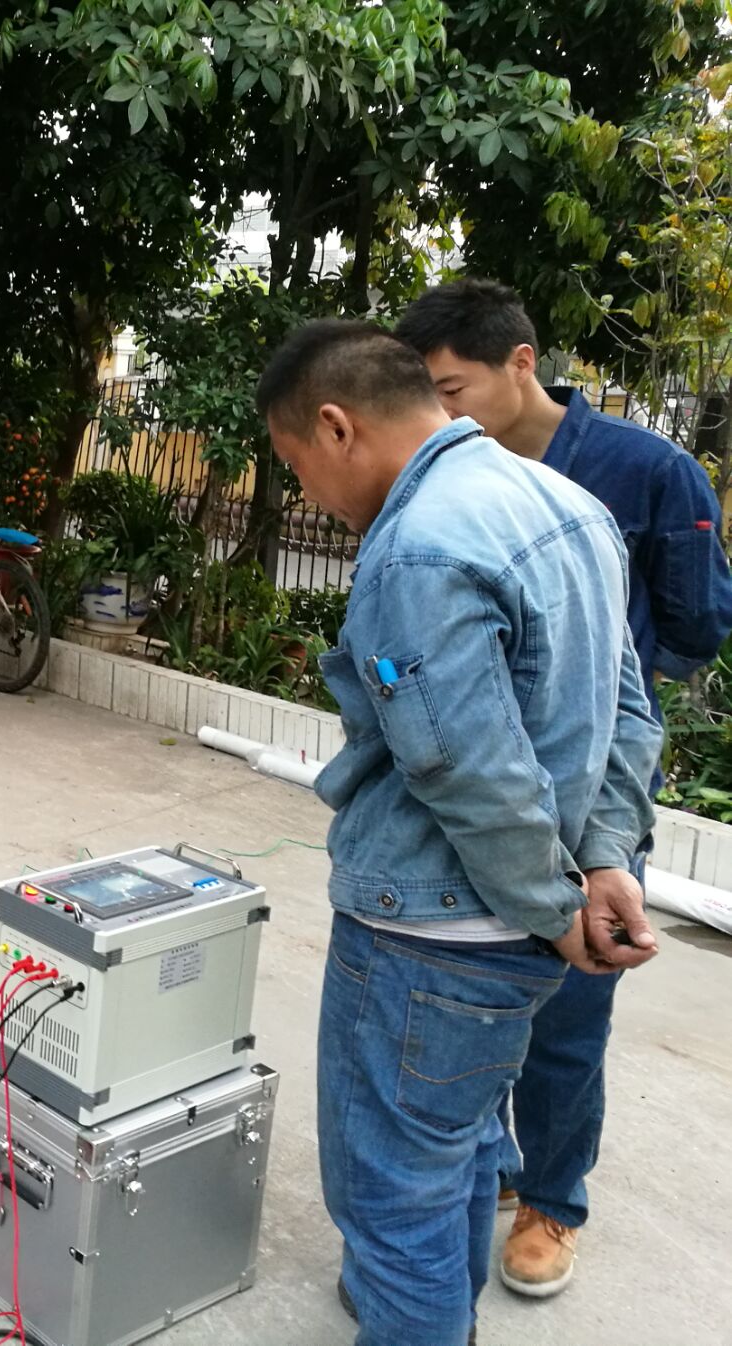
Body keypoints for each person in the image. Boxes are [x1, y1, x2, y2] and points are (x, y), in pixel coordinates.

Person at [255, 320, 665, 1346]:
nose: (306, 494)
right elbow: (628, 709)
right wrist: (603, 857)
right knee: (464, 1133)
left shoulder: (419, 545)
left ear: (337, 425)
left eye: (297, 466)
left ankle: (419, 1315)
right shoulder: (567, 504)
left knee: (393, 1193)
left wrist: (554, 903)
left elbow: (464, 766)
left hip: (430, 933)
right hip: (517, 932)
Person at [396, 278, 732, 1298]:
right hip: (478, 786)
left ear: (522, 363)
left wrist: (597, 698)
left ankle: (553, 1197)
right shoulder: (440, 477)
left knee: (571, 1002)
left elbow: (696, 626)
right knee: (470, 980)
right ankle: (496, 1162)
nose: (440, 415)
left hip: (590, 793)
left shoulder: (648, 471)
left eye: (452, 389)